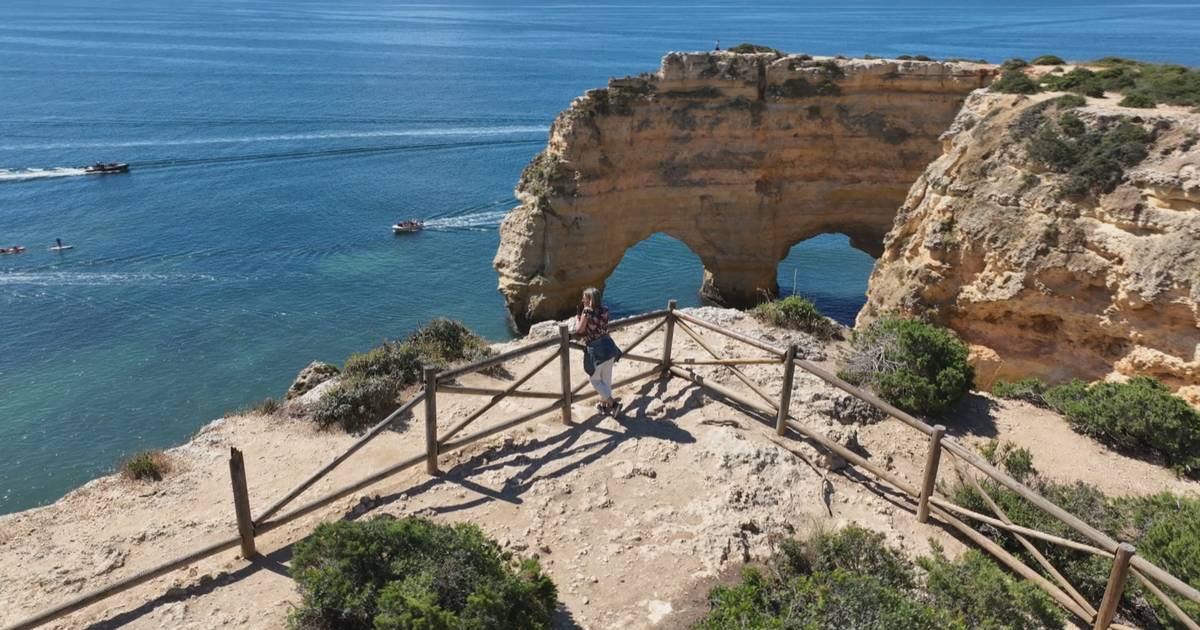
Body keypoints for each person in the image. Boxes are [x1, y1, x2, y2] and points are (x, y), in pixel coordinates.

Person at [574, 287, 622, 416]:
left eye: (584, 297)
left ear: (590, 299)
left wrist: (578, 318)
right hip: (609, 346)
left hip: (596, 350)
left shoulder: (587, 312)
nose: (582, 299)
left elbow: (579, 330)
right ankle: (603, 405)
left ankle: (614, 404)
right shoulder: (605, 310)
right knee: (606, 379)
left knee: (595, 380)